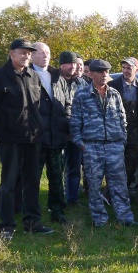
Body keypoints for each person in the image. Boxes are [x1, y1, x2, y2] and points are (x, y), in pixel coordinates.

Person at [0, 38, 52, 240]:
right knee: (9, 182)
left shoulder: (33, 76)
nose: (26, 56)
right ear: (11, 53)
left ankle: (32, 221)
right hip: (11, 139)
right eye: (22, 52)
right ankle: (7, 224)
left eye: (29, 53)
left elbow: (38, 105)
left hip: (33, 138)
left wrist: (38, 127)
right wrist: (5, 131)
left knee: (32, 181)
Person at [70, 59, 137, 227]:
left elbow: (123, 119)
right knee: (94, 185)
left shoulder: (114, 94)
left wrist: (122, 139)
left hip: (114, 145)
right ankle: (99, 219)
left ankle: (125, 218)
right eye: (100, 72)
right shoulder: (82, 95)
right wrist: (81, 143)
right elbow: (75, 122)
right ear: (91, 74)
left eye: (106, 72)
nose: (104, 75)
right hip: (92, 146)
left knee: (119, 184)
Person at [32, 42, 71, 223]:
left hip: (56, 137)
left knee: (56, 177)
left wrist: (67, 126)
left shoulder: (57, 77)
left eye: (47, 52)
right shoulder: (27, 76)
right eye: (40, 52)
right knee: (33, 178)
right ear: (32, 55)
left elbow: (67, 104)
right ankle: (31, 212)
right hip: (36, 138)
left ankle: (57, 211)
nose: (45, 55)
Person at [110, 57, 138, 196]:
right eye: (124, 67)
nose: (126, 71)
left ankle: (122, 195)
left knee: (131, 164)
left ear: (137, 70)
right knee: (114, 166)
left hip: (134, 132)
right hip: (115, 131)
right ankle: (109, 196)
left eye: (129, 68)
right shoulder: (113, 85)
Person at [59, 52, 87, 205]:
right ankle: (56, 200)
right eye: (70, 64)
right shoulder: (54, 81)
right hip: (56, 132)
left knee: (74, 168)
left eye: (75, 64)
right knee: (55, 169)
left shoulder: (82, 84)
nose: (73, 67)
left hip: (76, 133)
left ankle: (72, 198)